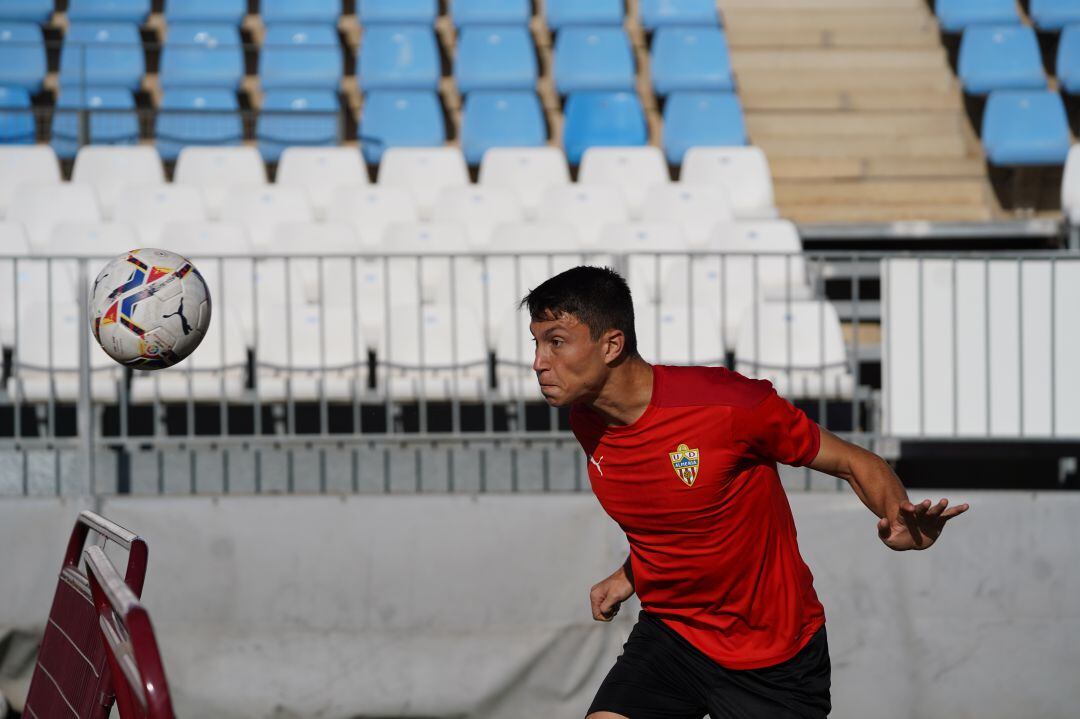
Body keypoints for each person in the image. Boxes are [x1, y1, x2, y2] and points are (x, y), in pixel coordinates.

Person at [521, 266, 969, 719]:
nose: (539, 362)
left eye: (556, 342)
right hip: (672, 637)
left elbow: (853, 461)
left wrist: (898, 513)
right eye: (536, 343)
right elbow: (680, 515)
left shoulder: (729, 404)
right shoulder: (586, 419)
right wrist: (630, 575)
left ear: (612, 345)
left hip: (774, 656)